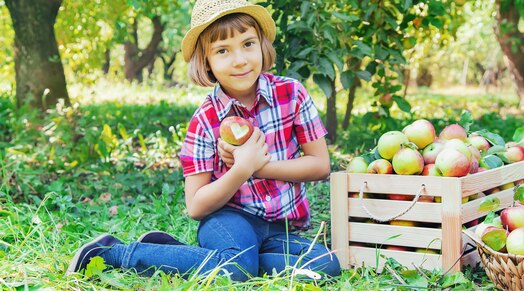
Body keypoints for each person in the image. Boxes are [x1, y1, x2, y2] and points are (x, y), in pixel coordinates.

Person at [66, 0, 340, 281]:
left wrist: (257, 167)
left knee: (327, 265)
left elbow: (319, 166)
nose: (240, 60)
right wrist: (240, 171)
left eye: (248, 44)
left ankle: (174, 254)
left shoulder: (291, 93)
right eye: (223, 51)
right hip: (229, 220)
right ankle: (112, 254)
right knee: (237, 270)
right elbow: (196, 206)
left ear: (262, 44)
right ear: (205, 61)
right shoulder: (206, 119)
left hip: (279, 229)